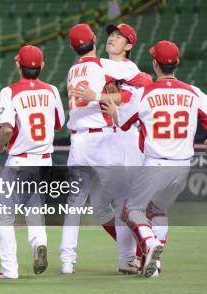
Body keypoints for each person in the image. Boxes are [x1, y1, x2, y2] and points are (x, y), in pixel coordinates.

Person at [103, 40, 207, 277]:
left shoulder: (145, 93)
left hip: (155, 163)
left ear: (155, 64)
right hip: (182, 167)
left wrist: (113, 111)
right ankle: (155, 265)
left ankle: (149, 244)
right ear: (176, 63)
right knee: (158, 210)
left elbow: (123, 122)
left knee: (131, 210)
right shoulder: (193, 92)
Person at [68, 23, 154, 275]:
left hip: (127, 138)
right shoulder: (102, 66)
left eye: (120, 36)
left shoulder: (127, 67)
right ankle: (133, 252)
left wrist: (102, 96)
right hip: (109, 140)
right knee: (101, 206)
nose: (113, 38)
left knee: (127, 203)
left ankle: (143, 251)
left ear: (129, 45)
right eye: (112, 35)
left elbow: (143, 88)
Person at [0, 45, 65, 279]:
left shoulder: (9, 91)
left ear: (18, 65)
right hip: (44, 160)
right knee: (34, 209)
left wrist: (0, 144)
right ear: (42, 66)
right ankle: (39, 243)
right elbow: (58, 124)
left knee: (5, 215)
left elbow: (6, 127)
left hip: (19, 160)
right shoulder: (52, 90)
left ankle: (9, 269)